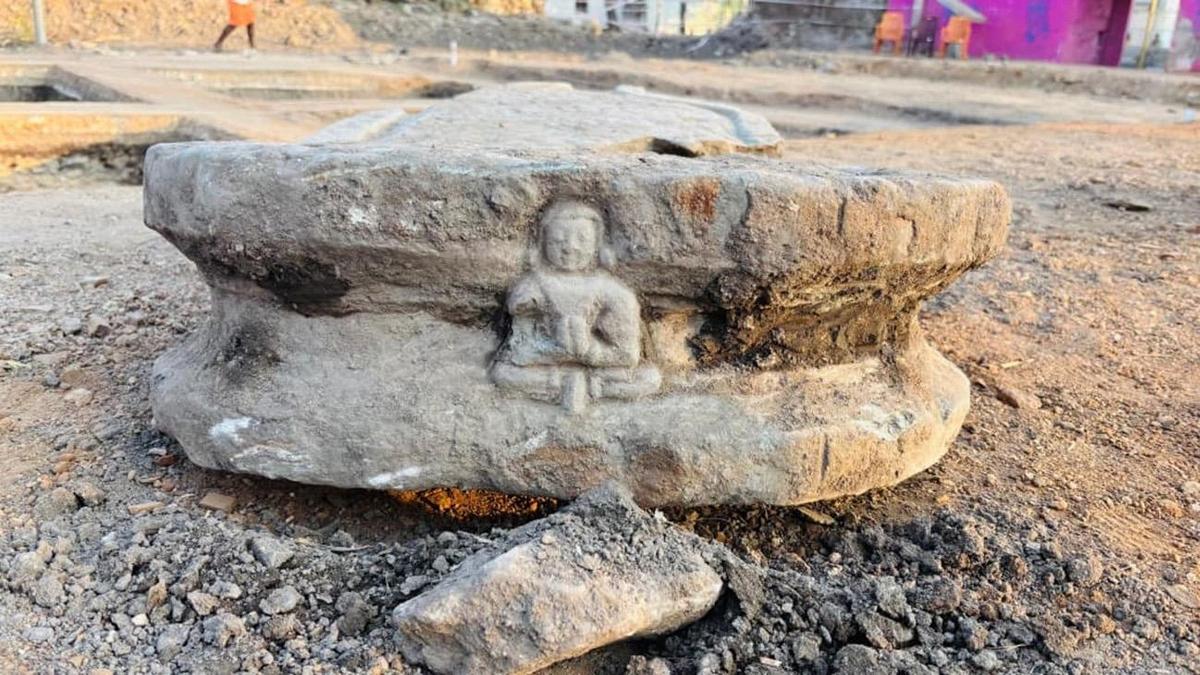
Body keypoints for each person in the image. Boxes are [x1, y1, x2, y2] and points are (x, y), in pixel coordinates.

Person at [491, 200, 660, 412]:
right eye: (558, 240)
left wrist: (588, 350)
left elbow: (627, 355)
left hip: (601, 369)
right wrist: (553, 347)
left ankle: (582, 385)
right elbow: (518, 348)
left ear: (598, 244)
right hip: (547, 367)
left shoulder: (612, 291)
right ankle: (573, 384)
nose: (570, 247)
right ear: (542, 243)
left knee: (649, 377)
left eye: (582, 239)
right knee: (502, 373)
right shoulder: (533, 286)